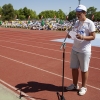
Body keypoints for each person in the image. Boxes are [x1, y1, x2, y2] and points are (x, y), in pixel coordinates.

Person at [66, 5, 95, 96]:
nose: (78, 15)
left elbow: (93, 36)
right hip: (75, 48)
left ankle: (84, 87)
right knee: (74, 68)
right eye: (77, 14)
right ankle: (75, 85)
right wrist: (70, 35)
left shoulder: (90, 23)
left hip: (84, 50)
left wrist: (83, 37)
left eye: (80, 14)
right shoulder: (76, 23)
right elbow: (75, 33)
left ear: (84, 13)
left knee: (84, 69)